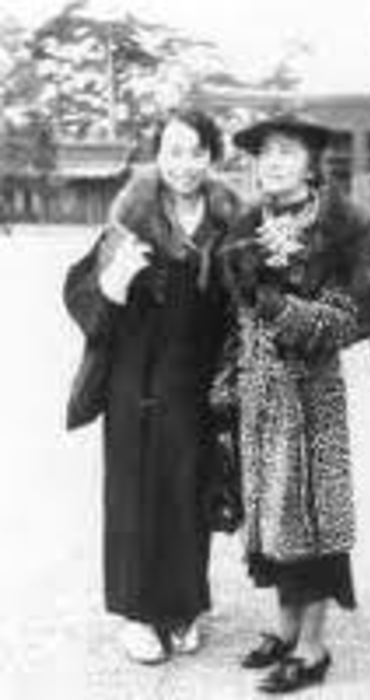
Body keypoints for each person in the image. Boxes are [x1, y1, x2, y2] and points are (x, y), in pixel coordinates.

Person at [221, 114, 370, 694]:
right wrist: (227, 379)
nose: (272, 163)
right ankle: (284, 628)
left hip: (310, 402)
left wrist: (277, 305)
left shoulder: (343, 231)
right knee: (271, 520)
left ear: (310, 164)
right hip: (257, 398)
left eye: (286, 152)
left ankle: (312, 646)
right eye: (264, 154)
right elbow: (235, 319)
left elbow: (351, 320)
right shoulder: (247, 226)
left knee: (312, 521)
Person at [64, 108, 239, 665]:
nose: (184, 164)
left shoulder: (227, 225)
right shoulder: (131, 219)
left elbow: (241, 309)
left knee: (190, 493)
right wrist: (114, 284)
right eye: (173, 151)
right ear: (156, 156)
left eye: (196, 152)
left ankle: (184, 608)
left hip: (194, 384)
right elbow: (81, 296)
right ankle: (138, 616)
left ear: (213, 156)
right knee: (135, 497)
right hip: (134, 381)